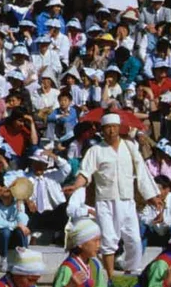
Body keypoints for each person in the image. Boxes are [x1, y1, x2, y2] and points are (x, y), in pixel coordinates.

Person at [65, 113, 159, 276]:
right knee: (109, 239)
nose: (111, 131)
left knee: (135, 240)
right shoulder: (96, 150)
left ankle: (131, 271)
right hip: (105, 201)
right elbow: (85, 172)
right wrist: (76, 186)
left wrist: (151, 196)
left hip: (127, 201)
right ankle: (110, 276)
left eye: (114, 127)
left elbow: (142, 173)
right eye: (108, 127)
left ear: (119, 128)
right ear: (102, 130)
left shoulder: (130, 147)